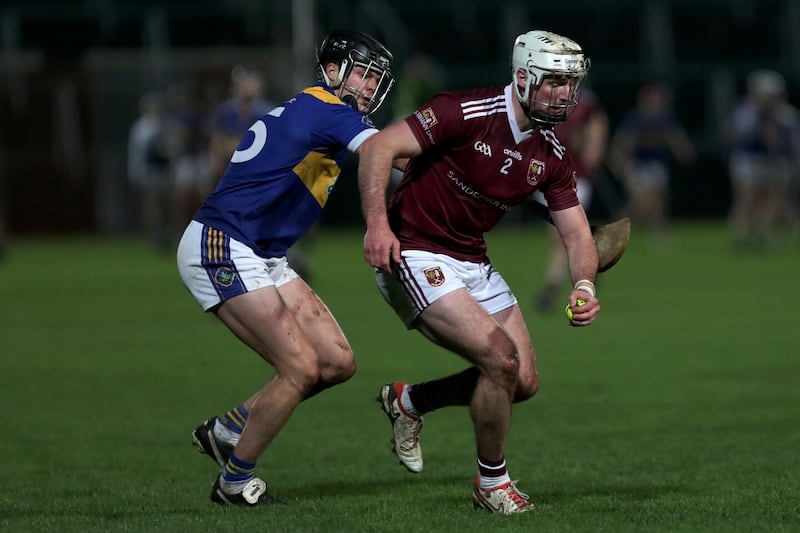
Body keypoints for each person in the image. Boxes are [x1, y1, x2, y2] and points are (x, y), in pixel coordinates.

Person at [358, 30, 601, 514]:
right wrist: (377, 226)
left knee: (523, 381)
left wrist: (584, 284)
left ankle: (411, 402)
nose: (565, 94)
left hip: (472, 259)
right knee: (501, 360)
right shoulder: (463, 111)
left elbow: (578, 236)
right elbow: (377, 149)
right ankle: (492, 484)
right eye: (555, 82)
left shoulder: (551, 154)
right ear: (523, 78)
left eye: (570, 84)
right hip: (412, 250)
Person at [176, 30, 395, 506]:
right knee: (300, 368)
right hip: (223, 242)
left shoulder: (319, 108)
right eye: (362, 73)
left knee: (336, 363)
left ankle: (229, 429)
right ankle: (233, 484)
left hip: (261, 251)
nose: (370, 87)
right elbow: (385, 153)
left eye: (375, 78)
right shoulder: (328, 111)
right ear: (333, 71)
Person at [532, 87, 608, 311]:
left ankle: (553, 287)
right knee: (564, 238)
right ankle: (587, 270)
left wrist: (591, 147)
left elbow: (597, 128)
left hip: (574, 179)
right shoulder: (542, 99)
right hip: (548, 178)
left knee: (563, 237)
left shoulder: (584, 101)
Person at [608, 80, 695, 246]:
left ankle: (657, 234)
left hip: (657, 165)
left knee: (658, 201)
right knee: (643, 202)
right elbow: (624, 142)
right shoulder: (637, 118)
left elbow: (675, 138)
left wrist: (684, 152)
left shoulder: (665, 117)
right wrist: (620, 164)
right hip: (639, 165)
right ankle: (616, 232)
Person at [726, 69, 800, 249]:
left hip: (765, 160)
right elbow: (732, 132)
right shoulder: (746, 110)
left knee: (767, 198)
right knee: (746, 197)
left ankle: (758, 235)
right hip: (747, 157)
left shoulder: (781, 112)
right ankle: (740, 236)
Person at [127, 91, 173, 251]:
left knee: (166, 204)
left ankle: (167, 233)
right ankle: (155, 235)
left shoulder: (163, 124)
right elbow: (136, 153)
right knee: (152, 205)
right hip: (149, 172)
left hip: (163, 171)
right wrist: (135, 172)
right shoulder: (140, 128)